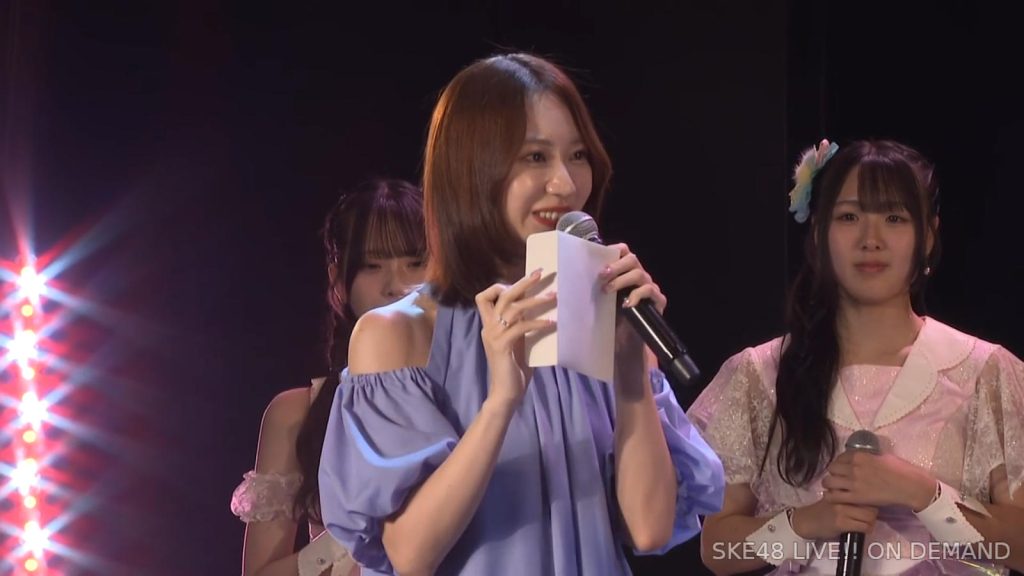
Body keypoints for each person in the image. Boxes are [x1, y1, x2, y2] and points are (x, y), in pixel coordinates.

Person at [316, 52, 725, 576]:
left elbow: (649, 529)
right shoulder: (397, 333)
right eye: (535, 157)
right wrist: (501, 401)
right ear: (471, 169)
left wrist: (630, 372)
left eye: (577, 155)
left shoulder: (601, 313)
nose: (565, 183)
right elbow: (410, 553)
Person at [689, 139, 1024, 575]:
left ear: (927, 236)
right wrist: (807, 522)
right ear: (818, 234)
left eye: (894, 218)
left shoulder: (983, 370)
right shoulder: (761, 373)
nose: (871, 240)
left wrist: (924, 495)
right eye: (849, 217)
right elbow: (719, 552)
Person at [231, 178, 428, 576]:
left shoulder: (478, 391)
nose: (397, 285)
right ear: (338, 280)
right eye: (373, 265)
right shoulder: (298, 413)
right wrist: (355, 539)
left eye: (415, 263)